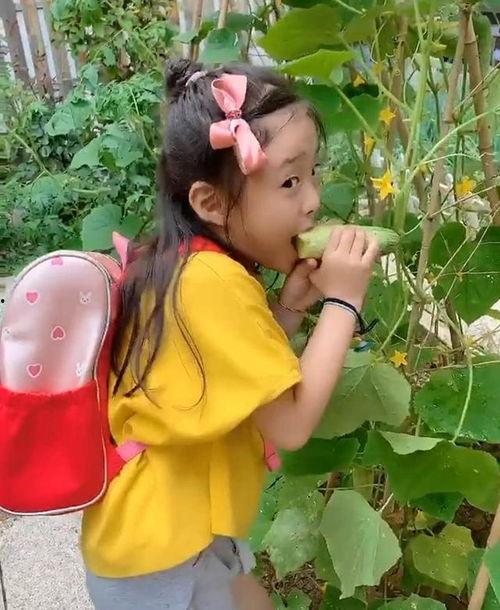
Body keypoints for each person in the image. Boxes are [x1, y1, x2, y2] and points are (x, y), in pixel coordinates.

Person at [81, 58, 379, 610]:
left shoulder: (184, 266)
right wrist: (344, 302)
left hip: (171, 534)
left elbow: (236, 379)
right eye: (289, 181)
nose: (314, 200)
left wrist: (289, 308)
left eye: (313, 173)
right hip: (165, 555)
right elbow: (290, 423)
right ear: (211, 203)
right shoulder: (213, 282)